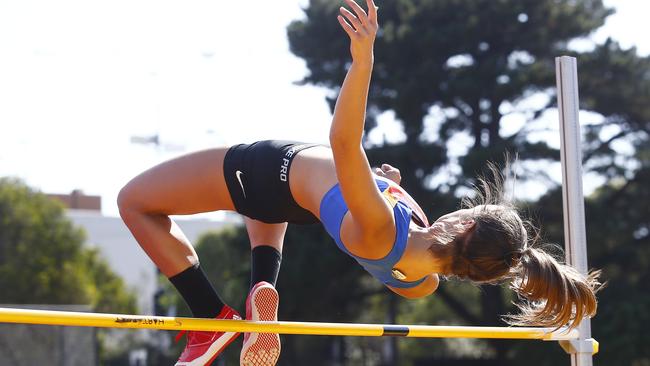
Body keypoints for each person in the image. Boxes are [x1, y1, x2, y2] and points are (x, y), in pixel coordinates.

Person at [117, 0, 601, 365]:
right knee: (265, 213)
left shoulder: (383, 226)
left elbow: (344, 143)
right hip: (290, 202)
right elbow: (376, 208)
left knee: (135, 202)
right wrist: (385, 183)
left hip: (269, 170)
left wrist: (363, 59)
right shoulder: (421, 281)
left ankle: (210, 321)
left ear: (466, 231)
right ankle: (262, 287)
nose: (460, 208)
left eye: (469, 211)